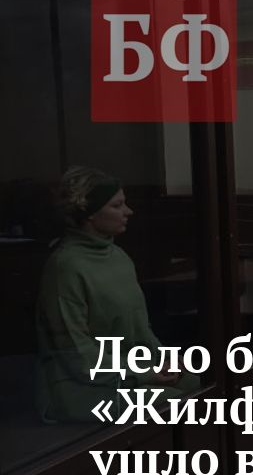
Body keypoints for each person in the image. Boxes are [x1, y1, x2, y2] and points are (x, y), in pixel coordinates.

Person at [35, 167, 197, 423]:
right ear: (89, 213)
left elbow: (140, 328)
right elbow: (77, 355)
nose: (128, 211)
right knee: (176, 405)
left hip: (129, 371)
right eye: (117, 205)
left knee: (202, 385)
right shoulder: (64, 267)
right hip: (81, 386)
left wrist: (164, 358)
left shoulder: (118, 257)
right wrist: (144, 373)